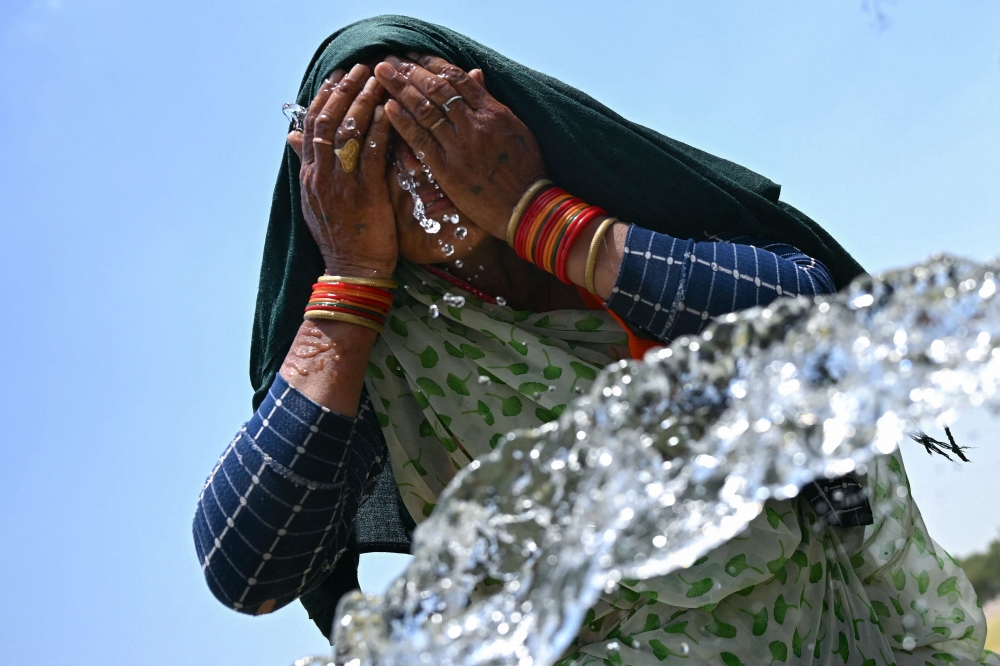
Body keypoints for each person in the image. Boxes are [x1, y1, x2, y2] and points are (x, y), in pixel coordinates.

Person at [193, 16, 993, 666]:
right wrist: (350, 282)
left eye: (432, 118)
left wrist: (541, 218)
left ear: (491, 110)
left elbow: (819, 321)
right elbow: (246, 568)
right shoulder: (394, 352)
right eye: (368, 147)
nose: (414, 168)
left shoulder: (602, 213)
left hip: (834, 608)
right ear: (323, 190)